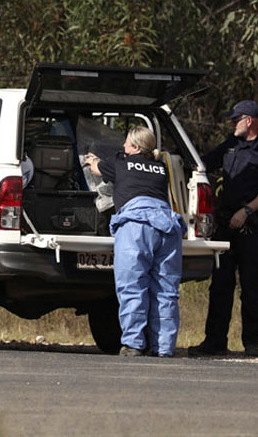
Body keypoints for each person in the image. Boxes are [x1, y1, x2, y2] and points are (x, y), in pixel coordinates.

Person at [188, 100, 258, 358]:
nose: (231, 124)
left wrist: (247, 211)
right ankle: (214, 342)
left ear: (249, 120)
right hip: (226, 226)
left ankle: (252, 343)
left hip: (252, 226)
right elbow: (203, 162)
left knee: (250, 288)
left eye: (235, 119)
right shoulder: (230, 145)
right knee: (220, 286)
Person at [86, 126, 186, 357]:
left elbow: (95, 169)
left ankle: (133, 344)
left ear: (136, 147)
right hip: (167, 226)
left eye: (126, 143)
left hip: (136, 227)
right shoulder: (161, 168)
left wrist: (92, 159)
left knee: (132, 286)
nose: (123, 146)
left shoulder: (119, 164)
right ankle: (163, 347)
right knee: (165, 290)